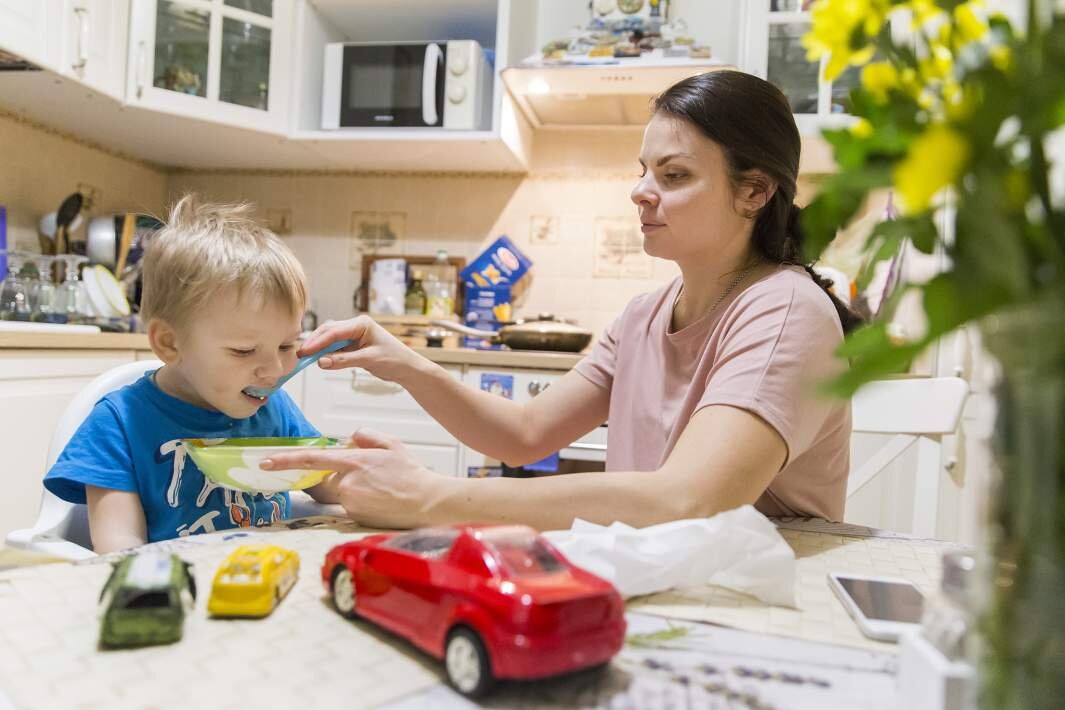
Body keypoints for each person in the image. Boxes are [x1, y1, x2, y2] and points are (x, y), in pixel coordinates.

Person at [262, 70, 860, 531]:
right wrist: (404, 361)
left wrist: (428, 497)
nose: (640, 192)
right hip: (664, 579)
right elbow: (524, 433)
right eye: (644, 170)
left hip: (759, 606)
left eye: (673, 176)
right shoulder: (644, 316)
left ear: (754, 191)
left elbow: (690, 499)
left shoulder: (785, 310)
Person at [44, 196, 344, 553]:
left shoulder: (273, 408)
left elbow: (328, 488)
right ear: (170, 343)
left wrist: (357, 466)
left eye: (286, 346)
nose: (276, 371)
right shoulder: (119, 424)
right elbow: (119, 549)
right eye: (244, 351)